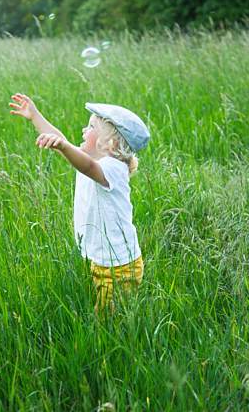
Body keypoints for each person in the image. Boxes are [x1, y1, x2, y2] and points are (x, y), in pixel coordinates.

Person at [9, 93, 149, 315]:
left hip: (120, 267)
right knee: (104, 313)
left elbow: (87, 167)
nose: (84, 130)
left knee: (110, 322)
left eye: (91, 127)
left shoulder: (112, 167)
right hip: (101, 260)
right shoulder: (92, 160)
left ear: (110, 144)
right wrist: (35, 116)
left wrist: (64, 147)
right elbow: (59, 139)